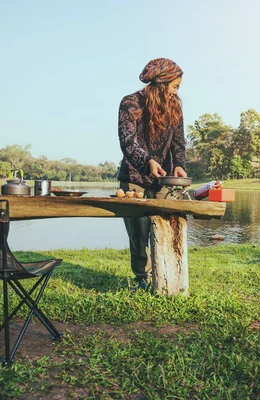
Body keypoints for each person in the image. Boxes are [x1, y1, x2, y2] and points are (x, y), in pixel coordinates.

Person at [117, 58, 187, 290]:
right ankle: (141, 279)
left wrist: (178, 163)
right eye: (175, 86)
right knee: (139, 234)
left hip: (164, 179)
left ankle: (166, 276)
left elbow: (178, 141)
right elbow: (127, 142)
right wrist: (147, 161)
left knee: (165, 227)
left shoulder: (175, 105)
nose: (176, 92)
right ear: (161, 83)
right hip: (135, 177)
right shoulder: (131, 103)